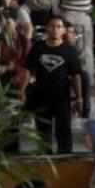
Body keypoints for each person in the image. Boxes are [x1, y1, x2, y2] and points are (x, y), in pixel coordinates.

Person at [23, 16, 82, 154]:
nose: (55, 29)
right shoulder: (38, 47)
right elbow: (28, 71)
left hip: (62, 98)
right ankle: (45, 161)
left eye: (59, 26)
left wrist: (79, 97)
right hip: (41, 97)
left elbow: (76, 75)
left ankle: (65, 159)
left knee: (64, 132)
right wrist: (22, 91)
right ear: (47, 29)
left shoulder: (69, 51)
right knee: (43, 134)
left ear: (63, 30)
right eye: (52, 26)